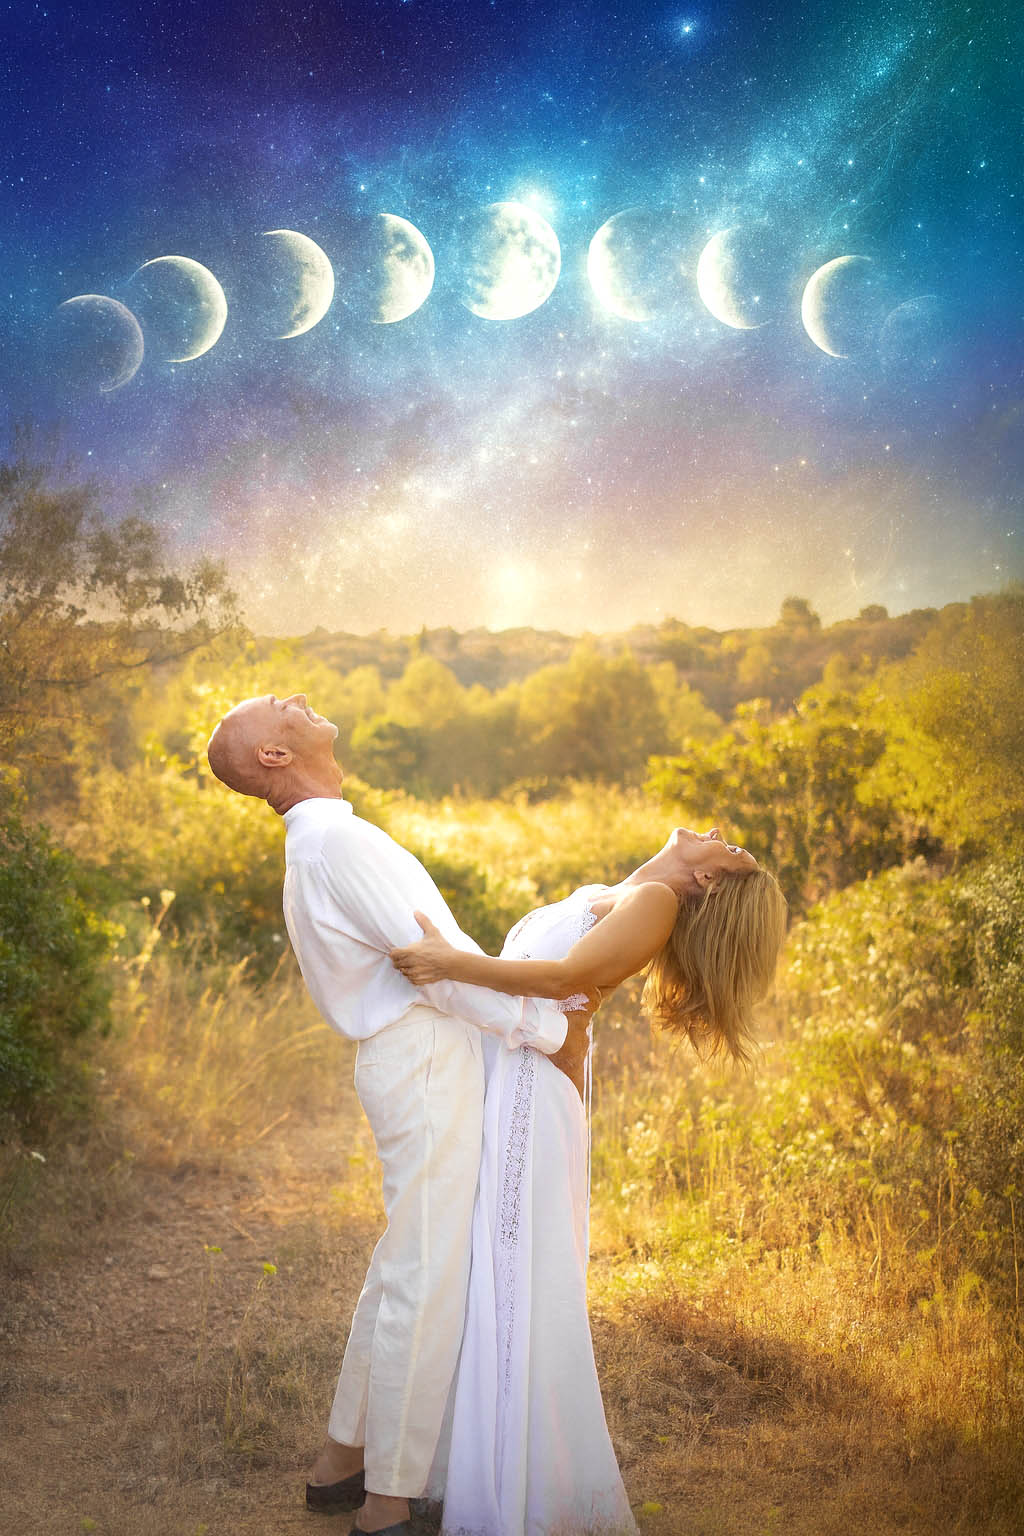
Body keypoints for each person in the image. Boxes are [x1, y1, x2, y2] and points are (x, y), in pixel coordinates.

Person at [206, 692, 575, 1536]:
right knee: (425, 1275)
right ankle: (388, 1502)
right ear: (272, 756)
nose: (296, 697)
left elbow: (435, 962)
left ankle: (343, 1459)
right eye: (277, 706)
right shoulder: (338, 842)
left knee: (406, 1263)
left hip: (412, 1058)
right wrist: (547, 1031)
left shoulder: (324, 840)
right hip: (423, 1055)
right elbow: (435, 968)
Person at [390, 828, 788, 1536]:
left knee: (514, 1277)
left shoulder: (658, 901)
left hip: (531, 1091)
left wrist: (449, 963)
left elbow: (562, 979)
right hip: (512, 1071)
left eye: (734, 853)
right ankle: (462, 1465)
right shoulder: (624, 892)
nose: (723, 836)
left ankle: (513, 1488)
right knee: (485, 1268)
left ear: (711, 882)